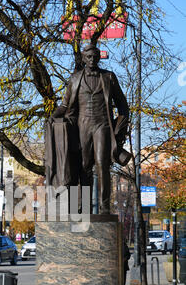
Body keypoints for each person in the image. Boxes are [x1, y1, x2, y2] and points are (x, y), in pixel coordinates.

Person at [47, 44, 130, 214]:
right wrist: (53, 116)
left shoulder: (109, 77)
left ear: (99, 58)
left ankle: (104, 206)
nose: (92, 60)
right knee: (83, 166)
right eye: (89, 57)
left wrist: (117, 130)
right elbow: (65, 104)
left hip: (102, 125)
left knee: (101, 164)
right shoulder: (75, 79)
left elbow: (123, 106)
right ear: (84, 58)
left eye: (95, 56)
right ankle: (84, 208)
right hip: (82, 125)